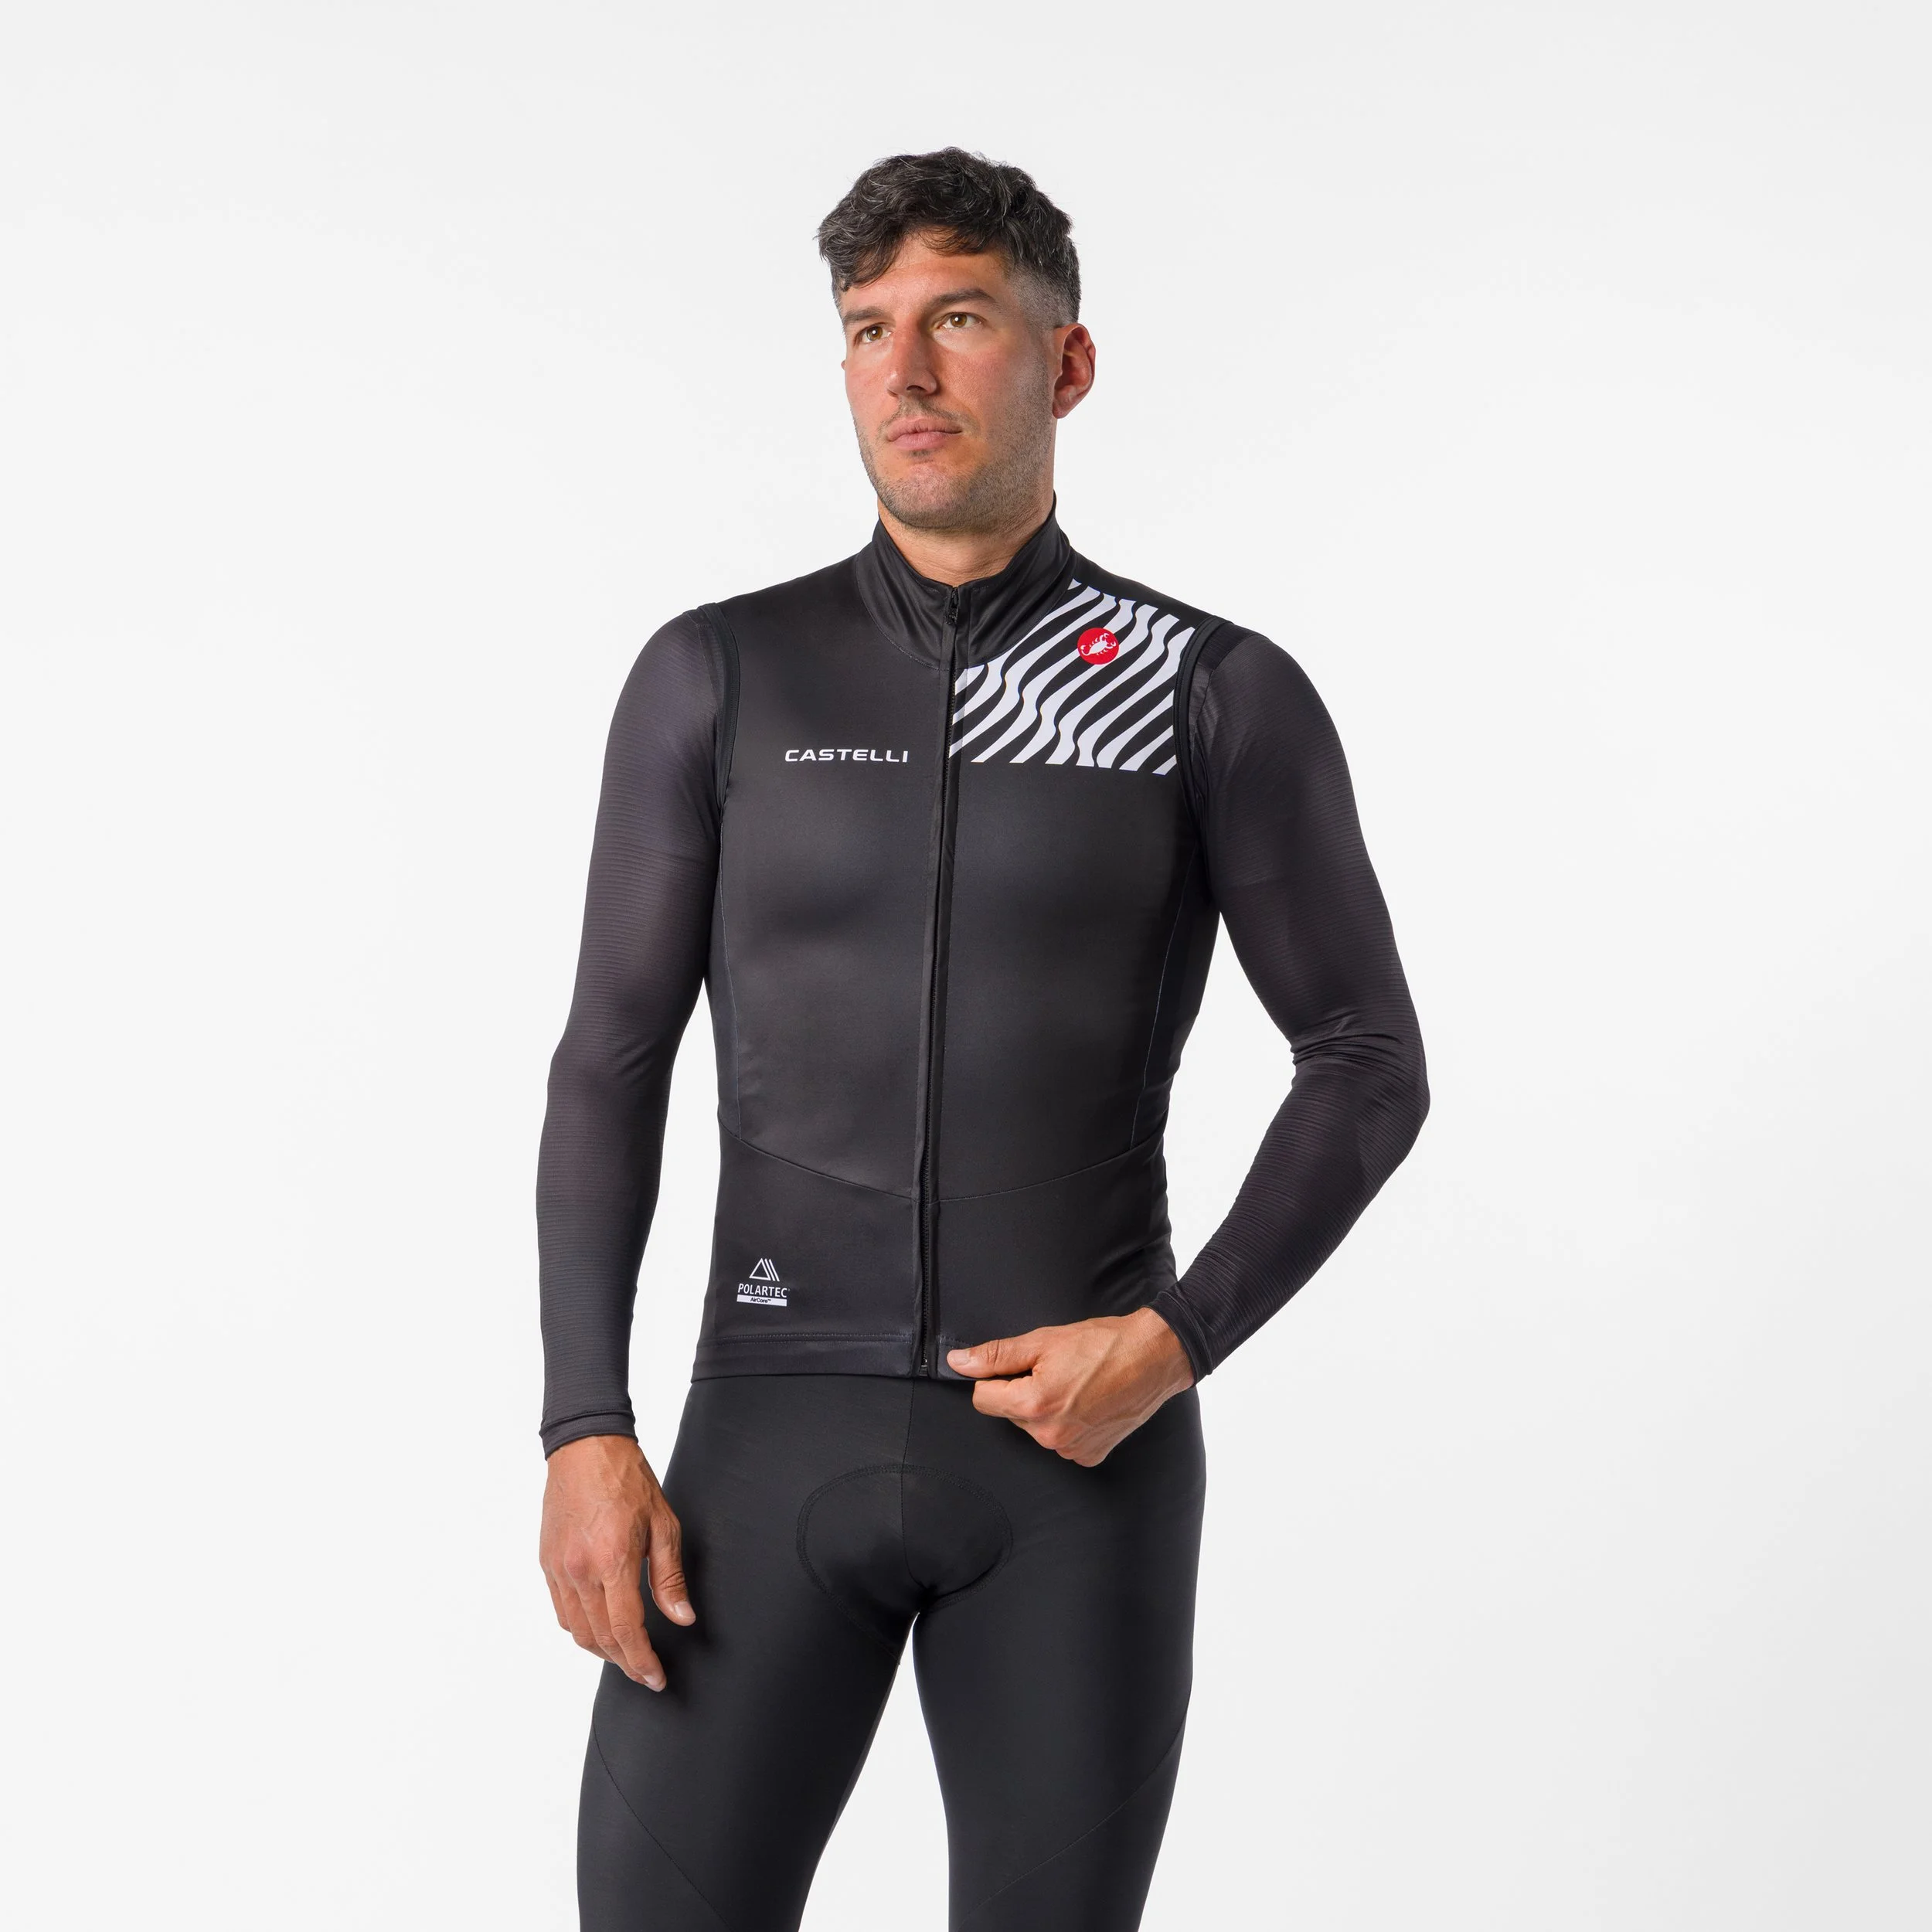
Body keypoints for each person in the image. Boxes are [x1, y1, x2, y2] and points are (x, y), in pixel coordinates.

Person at [536, 148, 1428, 1932]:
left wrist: (1172, 1339)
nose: (904, 369)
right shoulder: (720, 675)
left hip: (1073, 1465)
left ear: (1064, 362)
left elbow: (1362, 1054)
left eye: (956, 319)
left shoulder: (1201, 690)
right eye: (867, 328)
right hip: (761, 1439)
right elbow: (609, 1060)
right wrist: (582, 1426)